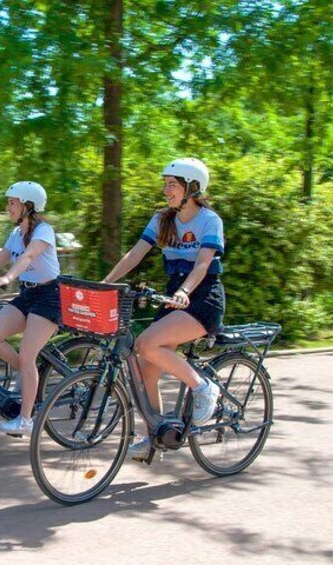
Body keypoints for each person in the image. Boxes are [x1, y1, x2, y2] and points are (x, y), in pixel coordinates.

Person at [101, 157, 225, 461]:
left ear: (192, 188)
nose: (166, 189)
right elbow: (135, 254)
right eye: (165, 183)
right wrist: (105, 282)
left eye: (172, 184)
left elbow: (203, 264)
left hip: (203, 297)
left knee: (145, 344)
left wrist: (185, 291)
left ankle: (202, 387)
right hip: (175, 298)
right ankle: (154, 436)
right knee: (144, 374)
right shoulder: (162, 220)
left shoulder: (210, 220)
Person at [0, 181, 60, 436]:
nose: (8, 207)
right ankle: (28, 372)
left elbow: (29, 256)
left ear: (28, 205)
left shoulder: (44, 230)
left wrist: (8, 278)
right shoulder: (15, 234)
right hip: (28, 293)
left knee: (27, 355)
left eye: (12, 202)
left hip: (49, 296)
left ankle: (25, 421)